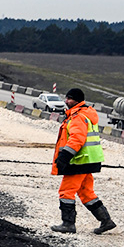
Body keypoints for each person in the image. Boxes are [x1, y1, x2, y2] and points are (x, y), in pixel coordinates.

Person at [50, 88, 117, 234]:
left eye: (70, 99)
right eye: (66, 98)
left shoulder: (78, 116)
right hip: (89, 160)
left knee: (66, 191)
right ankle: (106, 221)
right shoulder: (86, 114)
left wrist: (64, 157)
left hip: (79, 161)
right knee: (86, 192)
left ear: (78, 101)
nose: (67, 101)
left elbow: (77, 138)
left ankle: (68, 224)